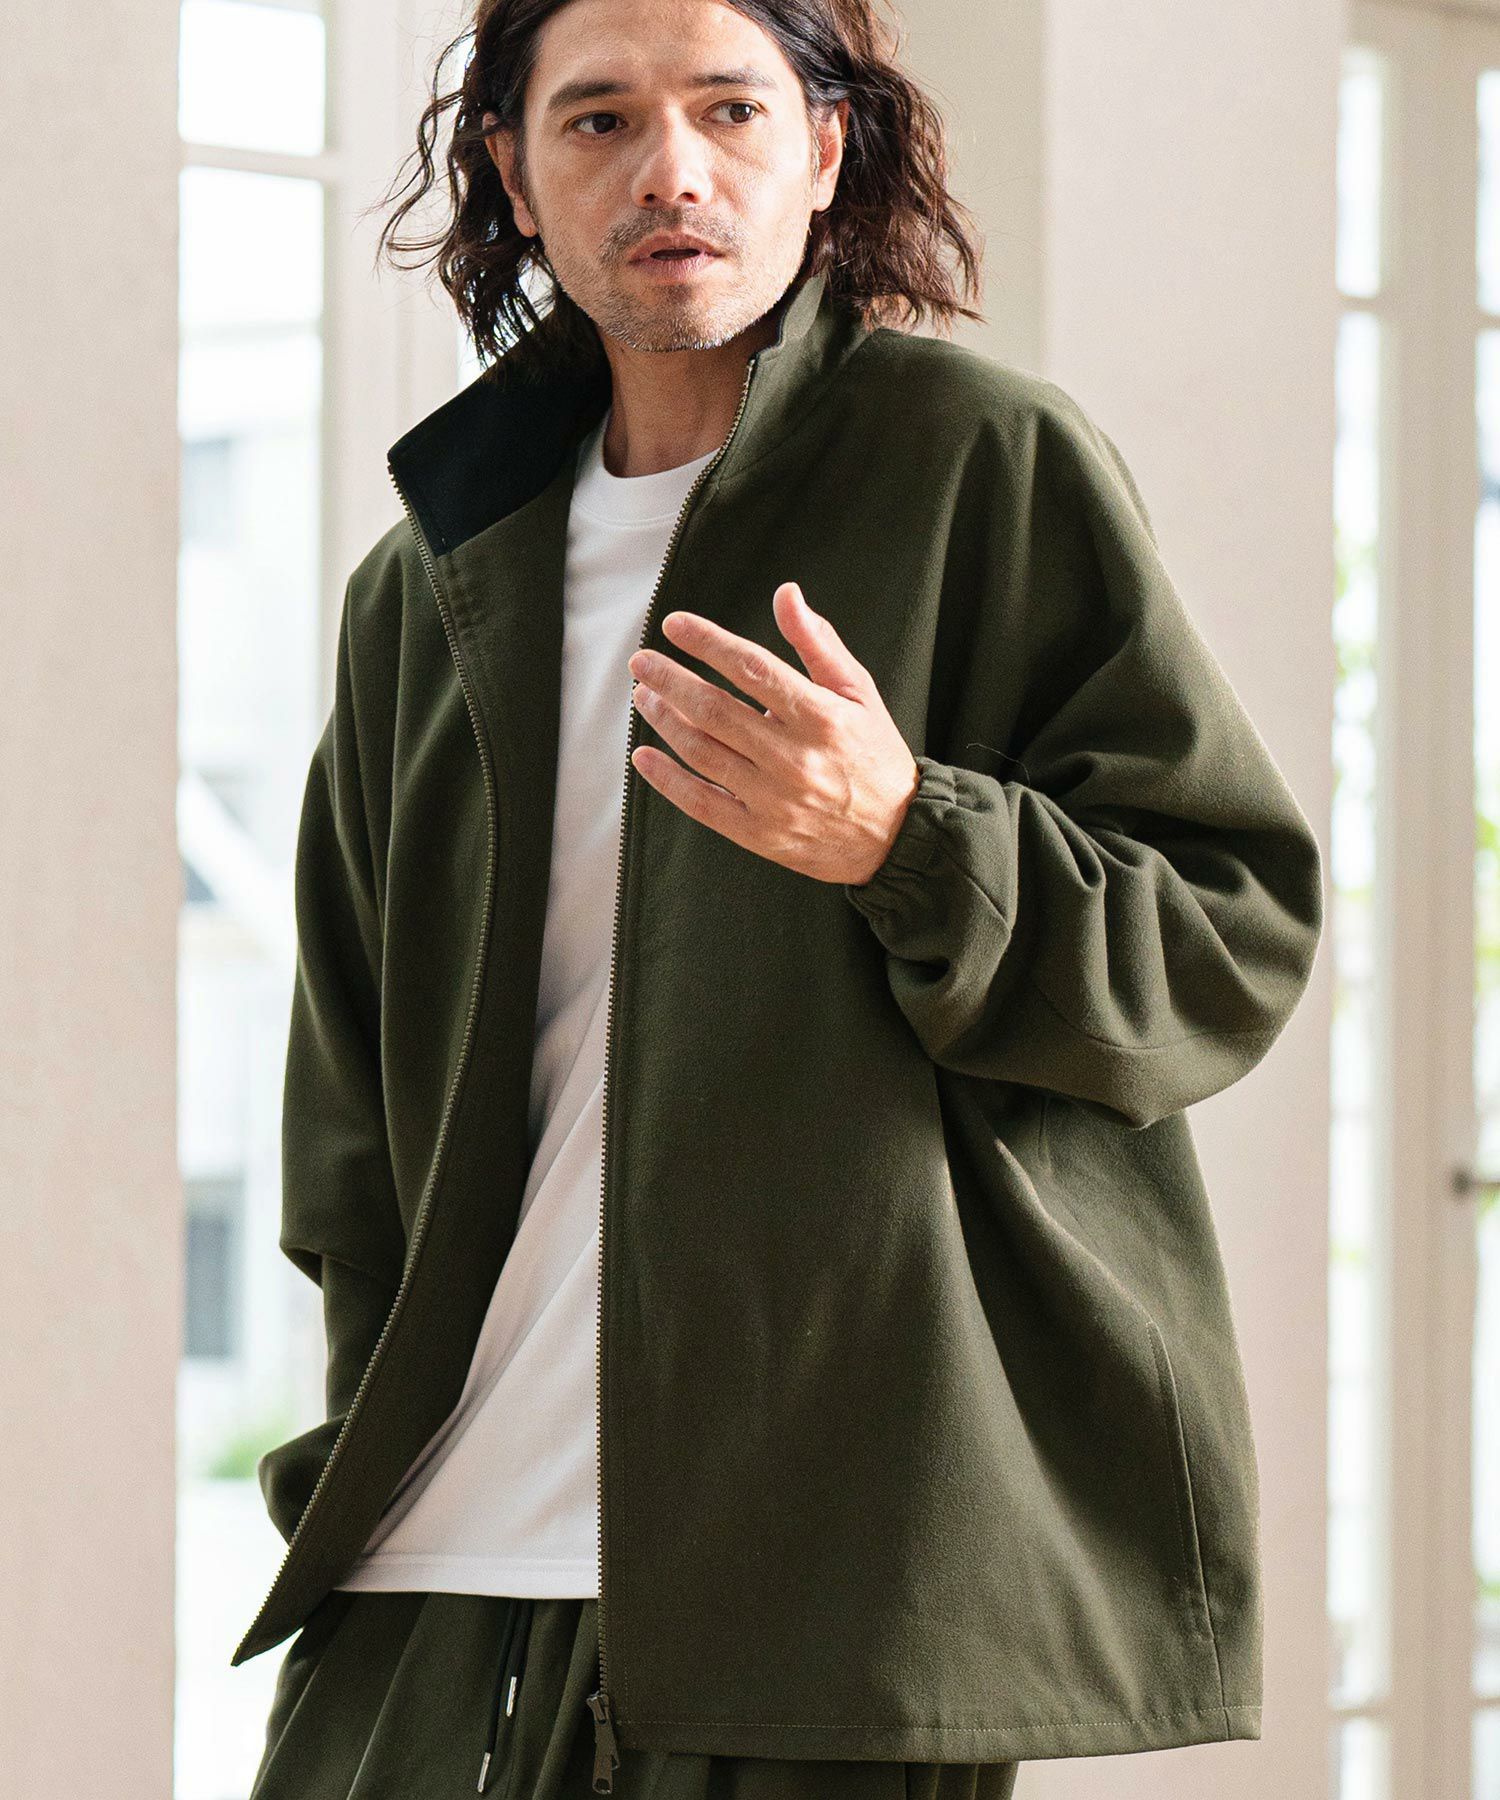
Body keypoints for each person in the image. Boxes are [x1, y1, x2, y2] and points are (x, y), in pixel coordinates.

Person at [237, 0, 1325, 1794]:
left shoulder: (977, 464)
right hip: (435, 1563)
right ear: (513, 169)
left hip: (825, 1575)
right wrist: (360, 1436)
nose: (672, 169)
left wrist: (909, 837)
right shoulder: (423, 588)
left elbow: (1228, 936)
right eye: (598, 120)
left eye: (730, 110)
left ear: (824, 150)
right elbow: (350, 1115)